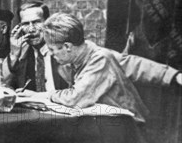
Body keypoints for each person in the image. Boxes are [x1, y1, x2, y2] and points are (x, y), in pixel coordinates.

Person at [4, 1, 181, 92]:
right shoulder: (20, 51)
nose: (31, 29)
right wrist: (13, 57)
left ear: (47, 22)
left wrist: (172, 75)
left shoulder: (71, 49)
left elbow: (128, 63)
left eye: (36, 22)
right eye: (25, 24)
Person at [18, 13, 158, 122]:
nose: (51, 54)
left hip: (128, 128)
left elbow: (75, 99)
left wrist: (39, 95)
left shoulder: (100, 59)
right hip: (106, 124)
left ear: (67, 46)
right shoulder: (78, 59)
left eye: (52, 49)